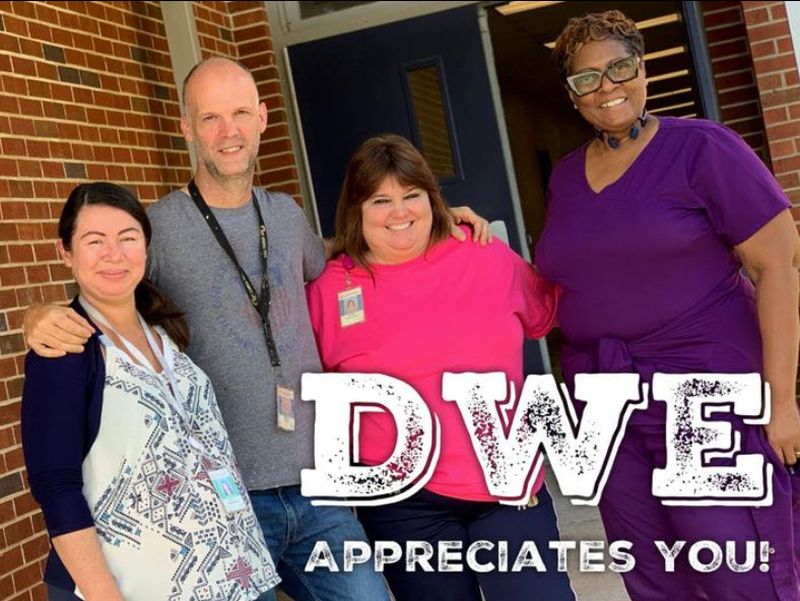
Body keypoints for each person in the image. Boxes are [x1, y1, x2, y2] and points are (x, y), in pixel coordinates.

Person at [23, 57, 490, 601]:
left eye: (240, 113)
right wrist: (41, 314)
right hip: (226, 499)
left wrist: (429, 216)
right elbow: (107, 282)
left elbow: (346, 255)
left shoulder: (288, 217)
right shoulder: (158, 229)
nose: (229, 132)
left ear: (263, 118)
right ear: (187, 127)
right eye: (211, 118)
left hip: (319, 486)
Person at [535, 10, 800, 600]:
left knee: (738, 565)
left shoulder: (703, 148)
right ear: (571, 93)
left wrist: (783, 401)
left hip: (702, 388)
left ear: (642, 67)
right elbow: (560, 280)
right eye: (587, 79)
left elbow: (776, 267)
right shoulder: (568, 178)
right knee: (652, 570)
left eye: (620, 67)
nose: (607, 88)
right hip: (605, 401)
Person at [305, 134, 576, 601]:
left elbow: (553, 311)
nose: (400, 212)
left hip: (506, 485)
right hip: (404, 504)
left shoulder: (483, 252)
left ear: (433, 199)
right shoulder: (329, 287)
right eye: (380, 200)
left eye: (412, 196)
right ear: (356, 208)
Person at [22, 182, 280, 601]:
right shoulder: (64, 350)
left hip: (235, 573)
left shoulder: (164, 330)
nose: (114, 253)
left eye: (128, 238)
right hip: (135, 587)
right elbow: (56, 488)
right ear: (65, 252)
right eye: (94, 241)